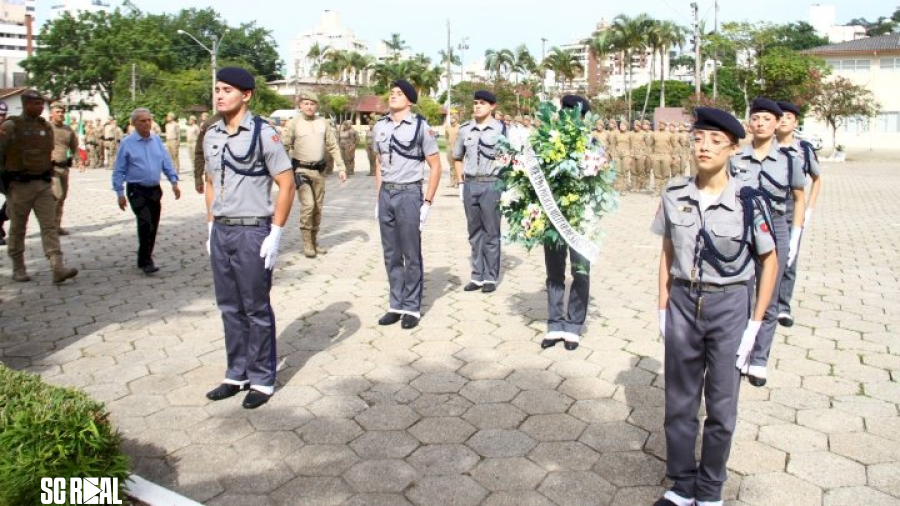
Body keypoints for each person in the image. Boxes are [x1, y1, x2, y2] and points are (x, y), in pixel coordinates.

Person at [652, 107, 779, 506]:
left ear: (733, 148)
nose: (704, 146)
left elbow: (769, 262)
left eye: (715, 140)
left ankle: (709, 490)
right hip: (684, 303)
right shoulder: (674, 193)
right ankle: (681, 484)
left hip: (729, 306)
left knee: (721, 407)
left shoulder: (749, 200)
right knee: (679, 402)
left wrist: (755, 325)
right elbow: (667, 252)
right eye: (698, 139)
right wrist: (662, 307)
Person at [202, 67, 295, 410]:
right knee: (229, 306)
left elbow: (286, 183)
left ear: (246, 95)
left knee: (255, 307)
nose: (220, 95)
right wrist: (210, 224)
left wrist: (276, 232)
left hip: (252, 230)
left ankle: (262, 378)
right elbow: (210, 181)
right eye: (217, 89)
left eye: (227, 90)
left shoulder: (263, 134)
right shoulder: (211, 133)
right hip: (222, 229)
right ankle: (236, 373)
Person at [730, 98, 806, 387]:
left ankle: (759, 358)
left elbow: (798, 198)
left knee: (769, 297)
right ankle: (740, 350)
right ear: (749, 123)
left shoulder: (789, 160)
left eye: (766, 119)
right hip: (741, 228)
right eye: (756, 118)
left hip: (775, 228)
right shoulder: (735, 158)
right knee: (740, 294)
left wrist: (795, 235)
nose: (760, 123)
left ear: (777, 124)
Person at [372, 79, 441, 329]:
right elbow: (379, 162)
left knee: (411, 254)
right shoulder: (380, 126)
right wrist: (378, 197)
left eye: (399, 93)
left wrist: (427, 202)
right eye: (391, 93)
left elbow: (435, 166)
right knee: (391, 253)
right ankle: (396, 304)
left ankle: (411, 307)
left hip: (409, 194)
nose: (393, 96)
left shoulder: (421, 127)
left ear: (409, 100)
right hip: (387, 193)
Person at [0, 90, 79, 283]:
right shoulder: (11, 126)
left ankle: (57, 267)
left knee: (49, 226)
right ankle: (18, 267)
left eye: (41, 104)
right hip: (19, 185)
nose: (40, 107)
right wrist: (5, 186)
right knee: (18, 227)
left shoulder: (45, 127)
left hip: (43, 184)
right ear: (25, 104)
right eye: (35, 104)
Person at [540, 95, 594, 352]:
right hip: (553, 217)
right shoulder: (547, 143)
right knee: (554, 272)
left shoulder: (593, 146)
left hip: (582, 220)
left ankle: (573, 325)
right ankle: (555, 323)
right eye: (564, 112)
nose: (567, 117)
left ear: (583, 118)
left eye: (573, 114)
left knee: (580, 272)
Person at [112, 108, 181, 275]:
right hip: (137, 190)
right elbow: (119, 170)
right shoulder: (127, 143)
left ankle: (145, 256)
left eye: (149, 120)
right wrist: (120, 193)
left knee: (153, 224)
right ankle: (146, 261)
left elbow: (166, 162)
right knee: (145, 222)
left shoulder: (156, 140)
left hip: (154, 189)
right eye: (142, 121)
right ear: (134, 123)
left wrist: (173, 181)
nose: (146, 124)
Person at [281, 91, 346, 258]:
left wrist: (341, 167)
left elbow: (332, 145)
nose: (309, 107)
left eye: (312, 104)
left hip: (319, 171)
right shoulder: (294, 123)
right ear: (300, 106)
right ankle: (307, 243)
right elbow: (284, 147)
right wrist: (282, 171)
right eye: (306, 104)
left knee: (317, 207)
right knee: (308, 205)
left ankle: (315, 241)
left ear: (316, 106)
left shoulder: (323, 123)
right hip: (301, 170)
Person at [775, 100, 822, 327]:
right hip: (768, 208)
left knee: (789, 257)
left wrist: (809, 209)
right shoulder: (766, 146)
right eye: (780, 117)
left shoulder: (803, 149)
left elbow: (817, 179)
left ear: (796, 123)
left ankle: (783, 307)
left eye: (789, 117)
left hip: (793, 209)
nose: (784, 120)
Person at [454, 90, 505, 294]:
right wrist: (460, 183)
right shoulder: (465, 129)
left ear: (492, 106)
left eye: (482, 103)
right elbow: (458, 157)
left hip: (491, 184)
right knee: (474, 233)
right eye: (475, 102)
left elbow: (510, 158)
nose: (477, 106)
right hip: (470, 184)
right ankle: (477, 276)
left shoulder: (501, 129)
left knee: (491, 232)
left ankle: (490, 277)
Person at [48, 102, 81, 235]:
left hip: (64, 168)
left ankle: (57, 225)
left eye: (62, 112)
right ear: (51, 113)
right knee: (56, 196)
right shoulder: (46, 128)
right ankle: (50, 227)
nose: (60, 114)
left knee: (62, 198)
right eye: (58, 112)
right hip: (51, 169)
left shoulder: (68, 130)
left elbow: (74, 146)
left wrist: (79, 160)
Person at [193, 112, 220, 194]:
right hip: (215, 181)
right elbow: (200, 153)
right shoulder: (210, 123)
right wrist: (198, 177)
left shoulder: (251, 124)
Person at [652, 120, 675, 195]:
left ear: (665, 125)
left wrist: (673, 157)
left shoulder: (670, 134)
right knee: (656, 174)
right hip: (656, 156)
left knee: (666, 175)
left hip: (666, 156)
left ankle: (664, 191)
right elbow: (650, 145)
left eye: (663, 124)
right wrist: (651, 155)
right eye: (660, 124)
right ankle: (657, 190)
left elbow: (674, 146)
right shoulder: (654, 133)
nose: (661, 125)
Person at [0, 100, 8, 246]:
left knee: (14, 203)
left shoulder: (9, 130)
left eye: (3, 115)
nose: (1, 117)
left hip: (6, 172)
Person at [444, 115, 460, 187]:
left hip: (457, 149)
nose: (451, 119)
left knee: (457, 165)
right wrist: (448, 144)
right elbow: (446, 137)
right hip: (449, 149)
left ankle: (457, 182)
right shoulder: (447, 127)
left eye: (453, 118)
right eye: (450, 118)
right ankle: (452, 182)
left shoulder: (460, 127)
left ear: (456, 119)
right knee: (451, 166)